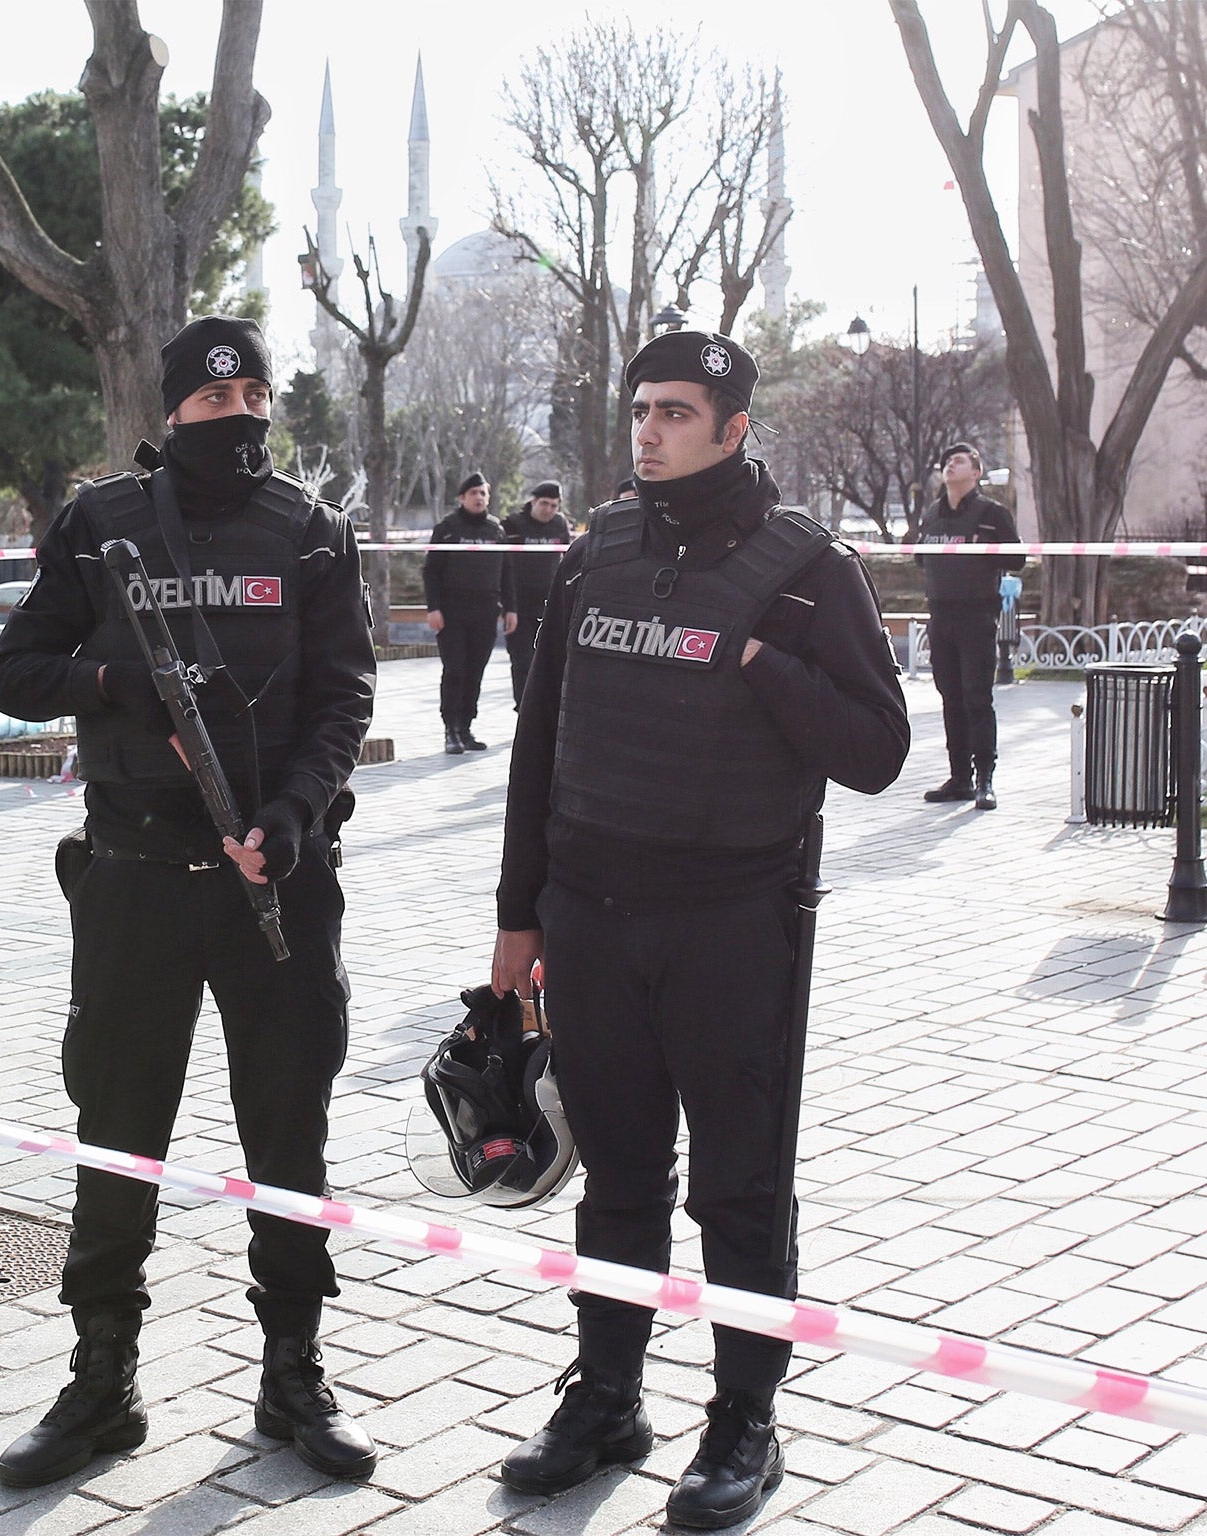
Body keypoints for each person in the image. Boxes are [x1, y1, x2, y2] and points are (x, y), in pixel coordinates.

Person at [490, 329, 909, 1528]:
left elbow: (876, 751)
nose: (649, 432)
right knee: (615, 1177)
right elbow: (538, 747)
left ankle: (743, 1424)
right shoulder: (593, 554)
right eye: (640, 412)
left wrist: (762, 664)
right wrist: (518, 917)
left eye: (675, 414)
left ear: (732, 429)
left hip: (731, 925)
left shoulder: (806, 570)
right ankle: (606, 1399)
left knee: (738, 1191)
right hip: (590, 918)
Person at [0, 316, 378, 1488]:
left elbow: (343, 696)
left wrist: (295, 815)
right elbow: (14, 670)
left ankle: (291, 1370)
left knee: (286, 1132)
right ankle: (100, 1379)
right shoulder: (98, 525)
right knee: (118, 1135)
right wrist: (111, 682)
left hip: (276, 884)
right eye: (209, 404)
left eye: (252, 396)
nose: (234, 416)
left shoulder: (309, 534)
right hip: (135, 880)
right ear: (168, 414)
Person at [914, 443, 1020, 810]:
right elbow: (918, 559)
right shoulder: (931, 515)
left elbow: (1017, 558)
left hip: (977, 617)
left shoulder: (993, 513)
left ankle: (984, 780)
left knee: (977, 698)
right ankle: (959, 778)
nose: (949, 466)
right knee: (951, 699)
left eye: (958, 461)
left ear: (976, 472)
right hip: (941, 617)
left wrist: (983, 548)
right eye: (946, 462)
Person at [424, 473, 516, 752]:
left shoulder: (496, 530)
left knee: (475, 671)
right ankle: (450, 729)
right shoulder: (447, 528)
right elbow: (431, 572)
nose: (479, 498)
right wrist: (433, 608)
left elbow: (507, 572)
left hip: (486, 610)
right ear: (462, 498)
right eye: (474, 493)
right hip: (452, 611)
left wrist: (511, 608)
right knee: (455, 670)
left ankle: (466, 728)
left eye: (483, 494)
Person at [500, 480, 571, 706]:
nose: (549, 510)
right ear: (533, 501)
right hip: (518, 604)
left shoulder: (560, 525)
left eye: (554, 505)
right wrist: (506, 605)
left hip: (549, 603)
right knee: (523, 662)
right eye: (544, 504)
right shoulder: (513, 524)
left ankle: (546, 710)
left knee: (551, 662)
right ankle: (524, 709)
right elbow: (502, 566)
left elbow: (569, 560)